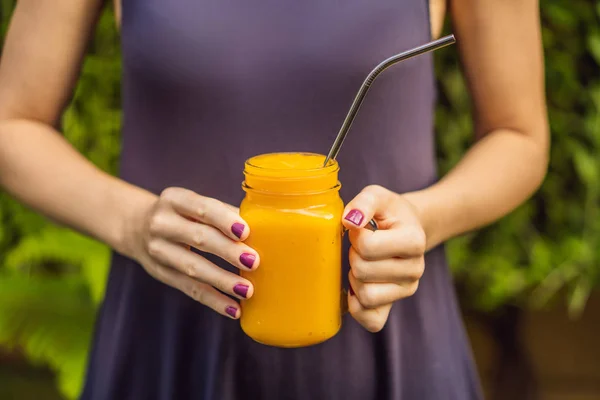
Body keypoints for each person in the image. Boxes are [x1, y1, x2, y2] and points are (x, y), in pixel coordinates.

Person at [0, 0, 548, 399]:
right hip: (165, 339)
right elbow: (11, 123)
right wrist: (133, 223)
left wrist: (424, 218)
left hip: (383, 335)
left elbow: (518, 134)